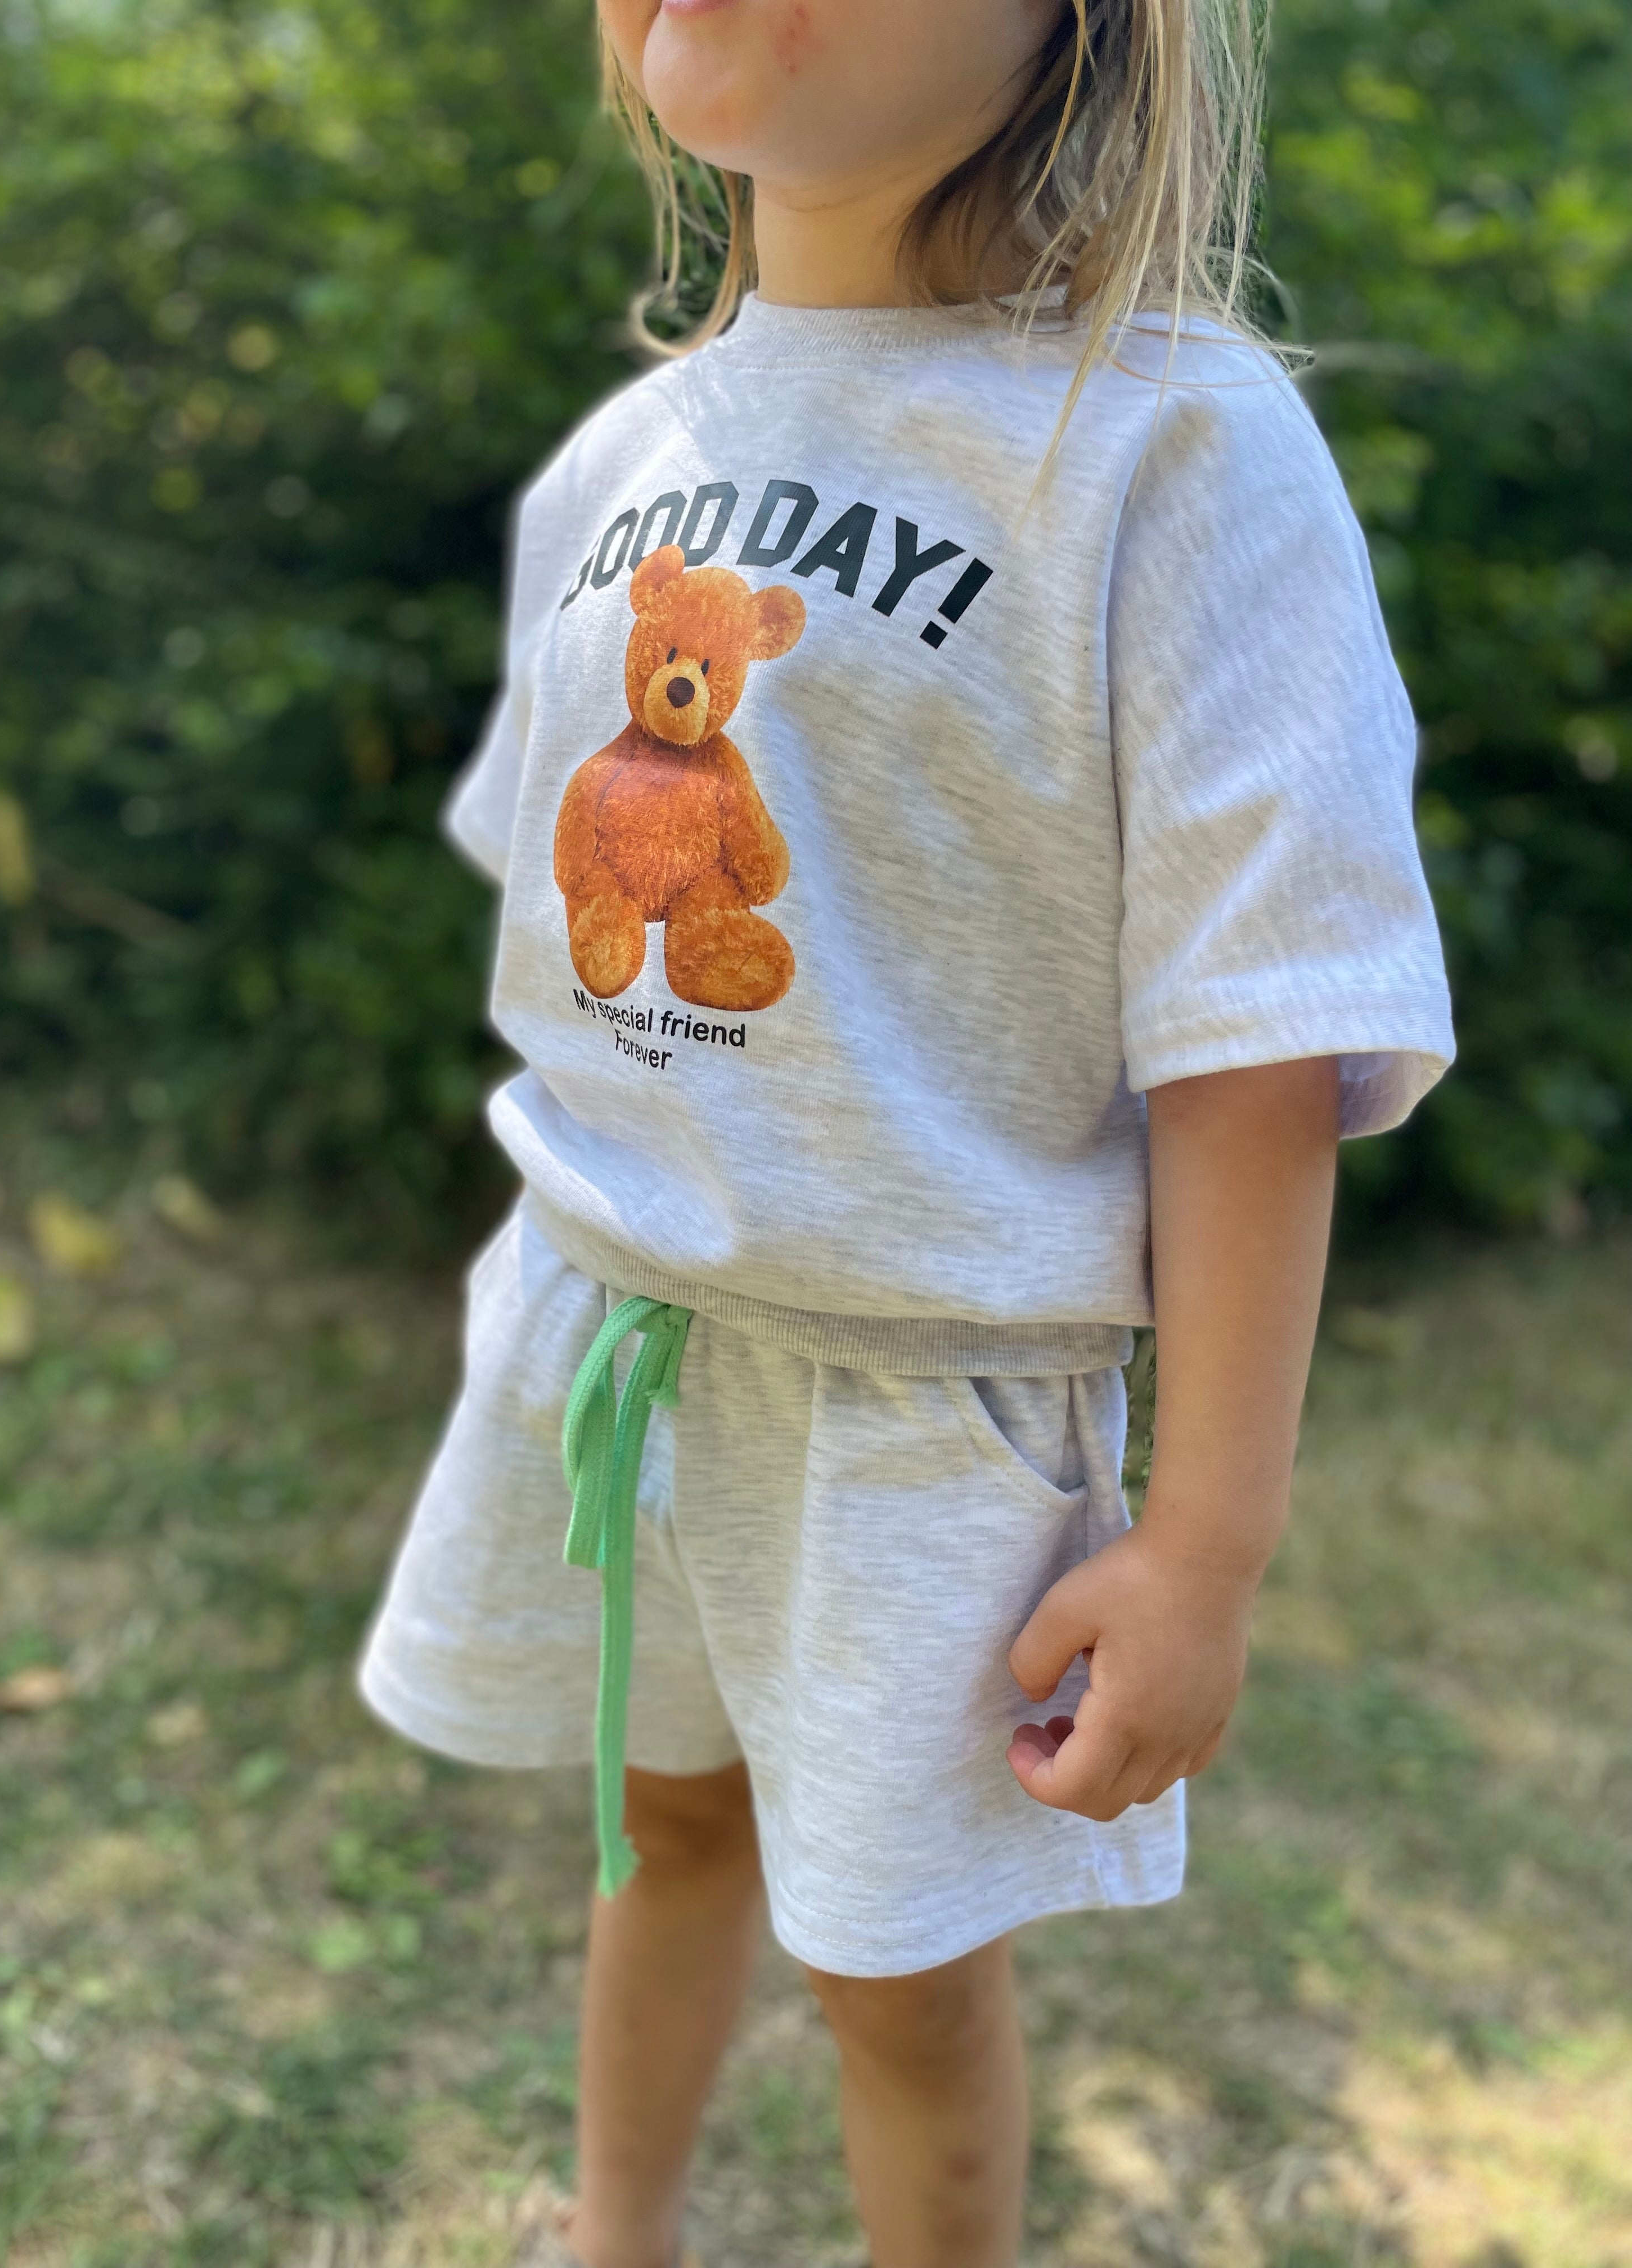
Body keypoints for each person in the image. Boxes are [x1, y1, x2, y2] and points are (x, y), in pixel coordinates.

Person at [359, 1, 1454, 2261]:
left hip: (916, 1428)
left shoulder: (1171, 446)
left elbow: (1258, 1035)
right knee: (658, 1832)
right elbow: (574, 926)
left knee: (900, 1980)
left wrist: (1207, 1543)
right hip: (617, 1346)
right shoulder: (629, 455)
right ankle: (616, 2235)